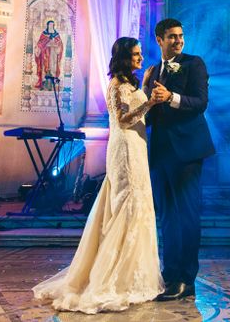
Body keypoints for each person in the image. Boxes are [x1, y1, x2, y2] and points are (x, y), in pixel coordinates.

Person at [33, 37, 169, 313]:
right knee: (127, 205)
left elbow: (134, 105)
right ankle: (116, 275)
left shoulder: (129, 83)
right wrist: (150, 104)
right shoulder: (116, 84)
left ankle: (135, 273)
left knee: (138, 203)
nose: (140, 59)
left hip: (138, 146)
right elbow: (123, 119)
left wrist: (145, 86)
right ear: (123, 58)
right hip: (126, 149)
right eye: (135, 55)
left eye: (140, 54)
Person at [143, 18, 215, 301]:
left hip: (188, 152)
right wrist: (146, 92)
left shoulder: (194, 64)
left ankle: (187, 278)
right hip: (161, 152)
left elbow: (200, 103)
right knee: (167, 216)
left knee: (186, 216)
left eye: (181, 36)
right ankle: (170, 274)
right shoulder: (154, 70)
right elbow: (148, 116)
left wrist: (171, 96)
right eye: (172, 37)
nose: (178, 41)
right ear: (159, 39)